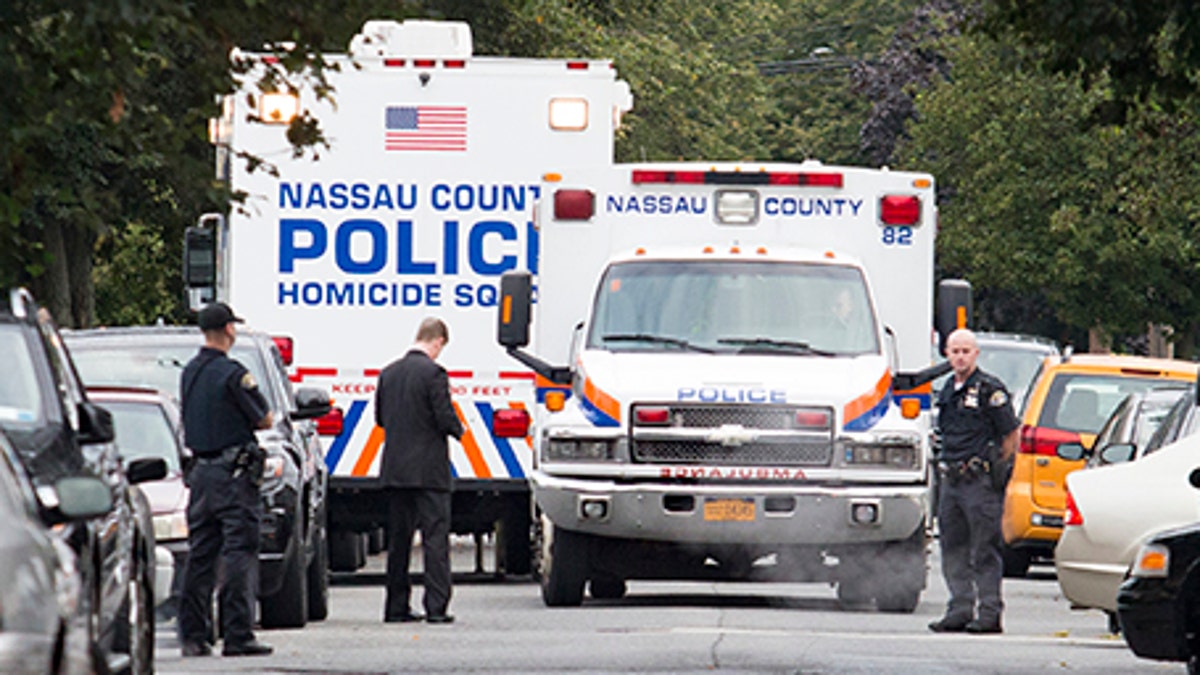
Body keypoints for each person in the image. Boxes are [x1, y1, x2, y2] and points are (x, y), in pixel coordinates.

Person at [177, 302, 274, 657]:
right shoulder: (234, 374)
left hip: (200, 475)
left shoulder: (190, 371)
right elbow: (263, 418)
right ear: (229, 330)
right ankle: (237, 634)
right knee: (239, 552)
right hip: (233, 477)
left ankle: (193, 634)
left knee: (201, 554)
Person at [928, 328, 1020, 634]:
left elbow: (1010, 435)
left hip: (978, 482)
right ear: (946, 354)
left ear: (976, 353)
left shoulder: (989, 390)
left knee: (983, 549)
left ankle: (990, 612)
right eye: (955, 351)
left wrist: (997, 471)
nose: (960, 356)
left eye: (966, 351)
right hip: (950, 481)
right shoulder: (946, 390)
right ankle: (960, 608)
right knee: (952, 548)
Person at [376, 317, 464, 624]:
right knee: (434, 538)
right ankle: (436, 607)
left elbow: (380, 419)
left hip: (396, 468)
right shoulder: (434, 373)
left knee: (398, 541)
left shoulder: (388, 373)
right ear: (437, 341)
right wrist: (459, 430)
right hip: (429, 471)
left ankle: (395, 607)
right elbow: (443, 416)